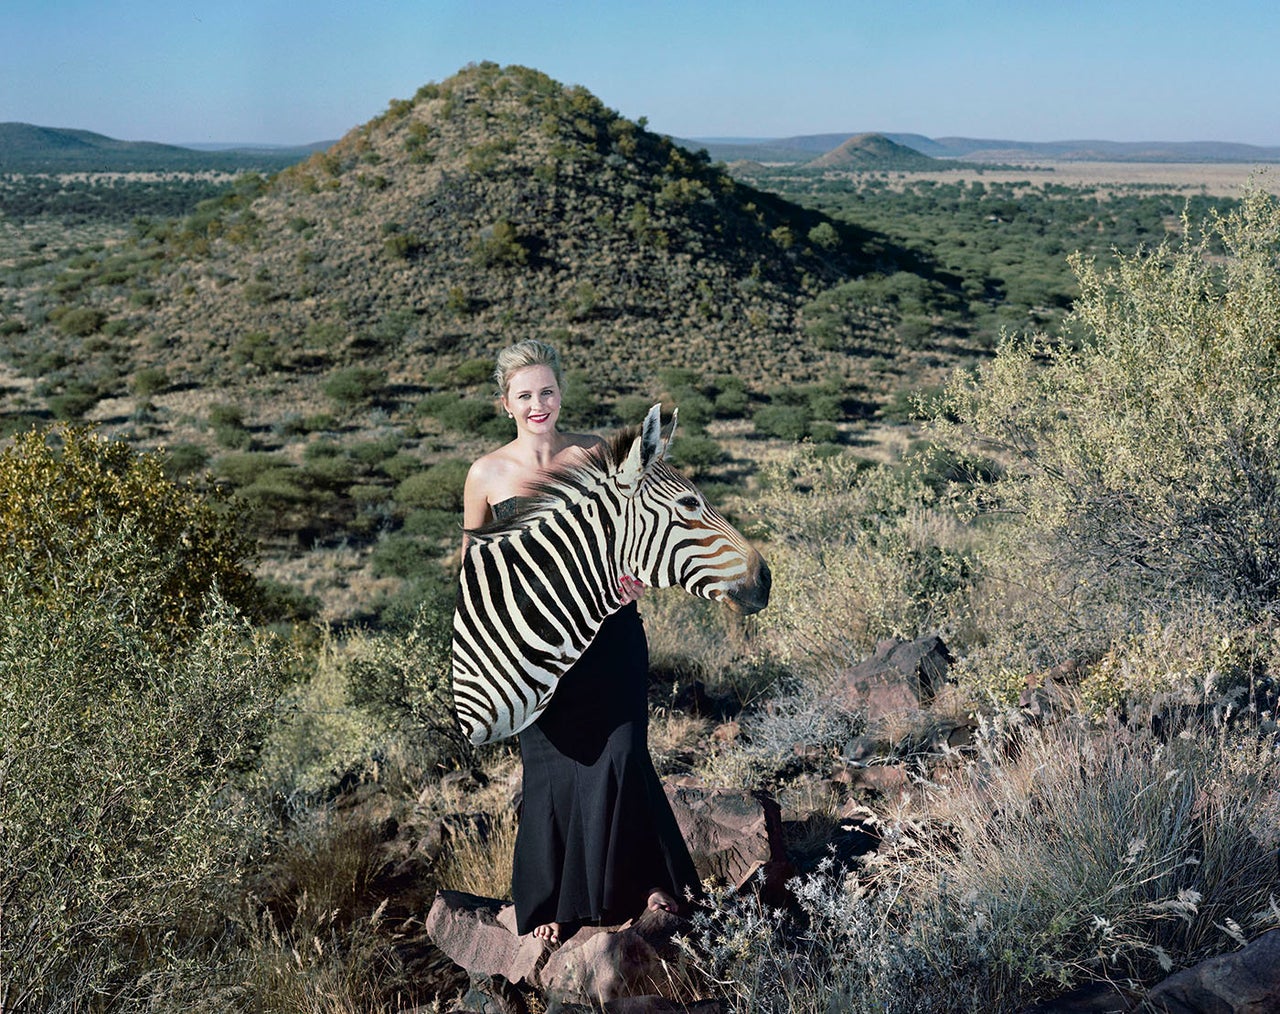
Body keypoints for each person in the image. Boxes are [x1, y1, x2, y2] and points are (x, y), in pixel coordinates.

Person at [462, 339, 700, 944]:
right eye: (524, 395)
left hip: (608, 633)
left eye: (546, 391)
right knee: (552, 768)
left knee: (623, 755)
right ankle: (552, 907)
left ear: (560, 393)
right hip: (535, 650)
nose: (537, 403)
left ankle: (649, 882)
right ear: (505, 405)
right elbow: (473, 564)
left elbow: (635, 531)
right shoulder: (486, 474)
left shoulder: (595, 454)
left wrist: (635, 578)